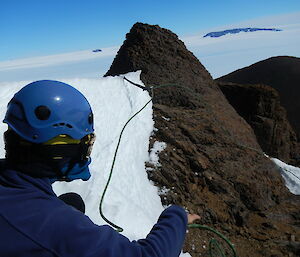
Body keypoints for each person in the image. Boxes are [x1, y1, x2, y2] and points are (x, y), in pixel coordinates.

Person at [0, 80, 200, 257]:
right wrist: (177, 216)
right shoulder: (51, 224)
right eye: (85, 142)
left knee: (72, 203)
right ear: (60, 151)